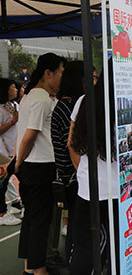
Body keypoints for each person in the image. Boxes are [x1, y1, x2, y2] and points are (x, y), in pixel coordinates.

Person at [15, 53, 66, 275]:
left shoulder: (28, 97)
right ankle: (39, 270)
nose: (61, 78)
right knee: (40, 221)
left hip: (31, 165)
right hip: (39, 165)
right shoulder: (42, 99)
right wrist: (17, 162)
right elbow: (30, 135)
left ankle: (29, 266)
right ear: (48, 73)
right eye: (60, 73)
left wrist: (19, 163)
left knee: (31, 218)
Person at [68, 60, 119, 274]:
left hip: (88, 190)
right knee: (115, 250)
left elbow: (71, 143)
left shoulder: (84, 100)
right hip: (118, 193)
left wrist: (84, 173)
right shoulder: (126, 101)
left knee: (85, 248)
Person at [50, 61, 85, 264]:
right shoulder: (71, 105)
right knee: (77, 223)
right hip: (73, 175)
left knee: (75, 221)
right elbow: (70, 143)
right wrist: (81, 170)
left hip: (68, 173)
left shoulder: (63, 105)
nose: (93, 81)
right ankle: (74, 260)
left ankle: (73, 258)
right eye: (90, 76)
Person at [0, 78, 22, 226]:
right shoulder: (0, 109)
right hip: (2, 151)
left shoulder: (14, 105)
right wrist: (12, 122)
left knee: (8, 179)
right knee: (2, 182)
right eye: (13, 87)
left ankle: (15, 204)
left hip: (14, 150)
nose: (16, 89)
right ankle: (2, 213)